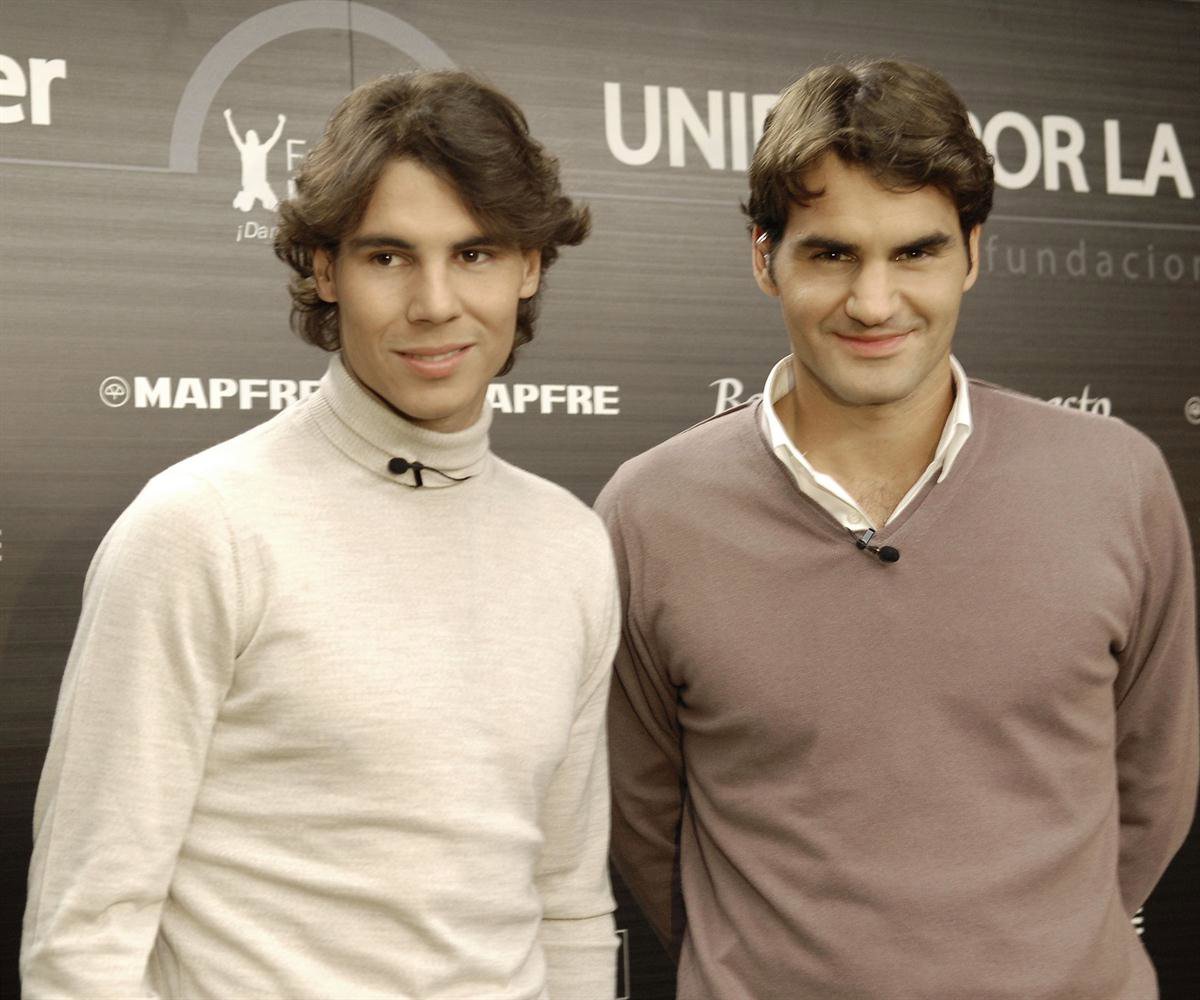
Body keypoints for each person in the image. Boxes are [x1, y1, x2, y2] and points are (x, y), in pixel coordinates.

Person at [596, 58, 1198, 999]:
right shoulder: (648, 511)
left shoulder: (1119, 479)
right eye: (831, 254)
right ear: (764, 258)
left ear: (972, 254)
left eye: (915, 253)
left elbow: (1153, 789)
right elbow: (643, 821)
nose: (874, 304)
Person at [22, 70, 619, 999]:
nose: (435, 302)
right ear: (326, 270)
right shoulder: (200, 526)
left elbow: (569, 902)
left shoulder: (572, 544)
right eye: (388, 257)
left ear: (530, 267)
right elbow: (84, 935)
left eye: (475, 254)